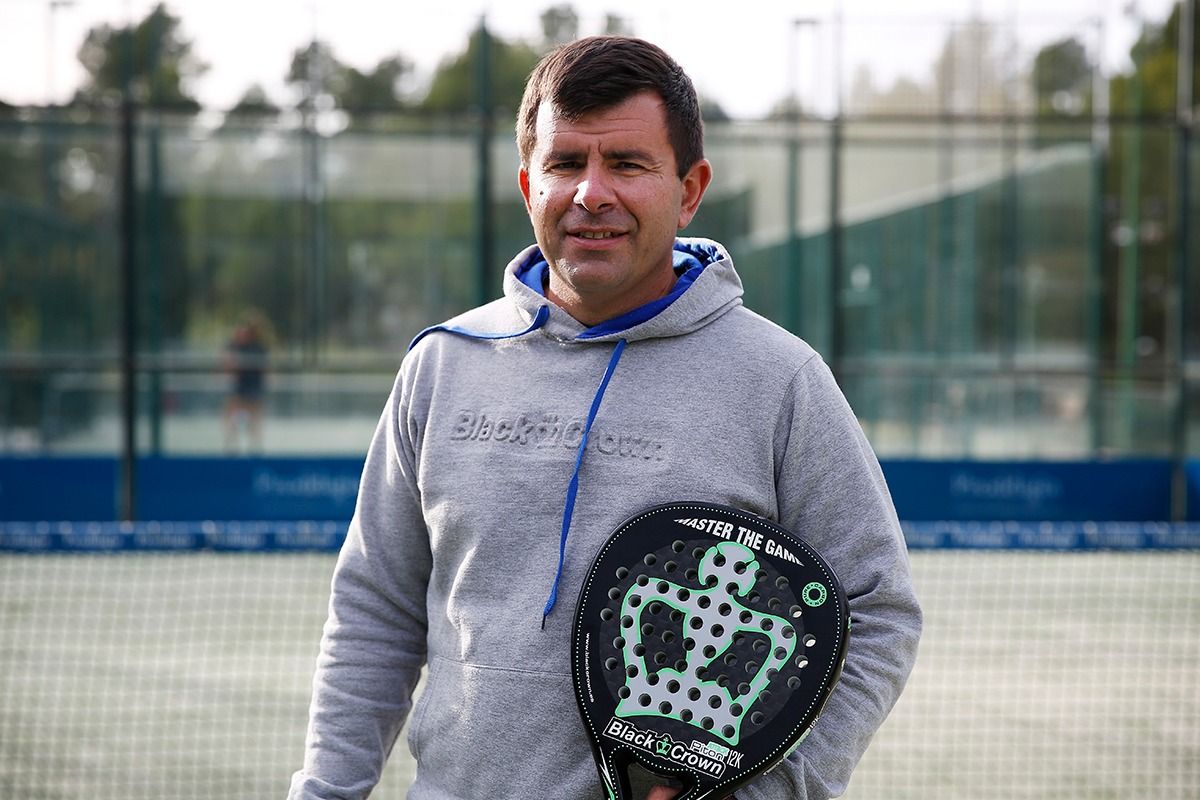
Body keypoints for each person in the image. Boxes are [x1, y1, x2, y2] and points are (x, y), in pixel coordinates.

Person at [288, 36, 920, 800]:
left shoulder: (781, 380)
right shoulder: (442, 364)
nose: (592, 193)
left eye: (626, 164)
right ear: (529, 184)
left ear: (689, 190)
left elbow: (875, 608)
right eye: (565, 164)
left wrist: (779, 791)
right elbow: (375, 611)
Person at [223, 312, 268, 453]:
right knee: (233, 421)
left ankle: (255, 451)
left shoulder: (259, 348)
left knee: (254, 424)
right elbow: (228, 367)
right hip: (239, 391)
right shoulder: (235, 347)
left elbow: (265, 370)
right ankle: (232, 450)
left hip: (253, 391)